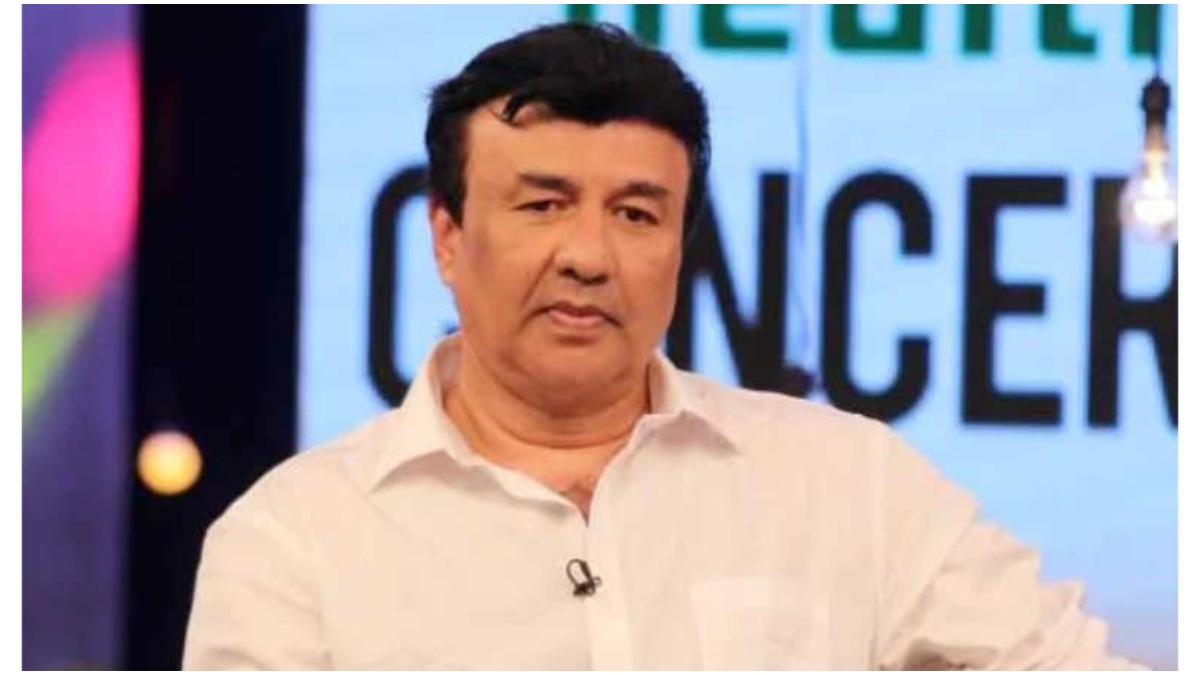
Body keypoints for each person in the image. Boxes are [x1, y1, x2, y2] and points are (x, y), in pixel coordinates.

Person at [183, 22, 1144, 670]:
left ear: (682, 245)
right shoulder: (292, 544)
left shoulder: (848, 482)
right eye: (543, 205)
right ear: (446, 234)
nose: (588, 256)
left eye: (637, 213)